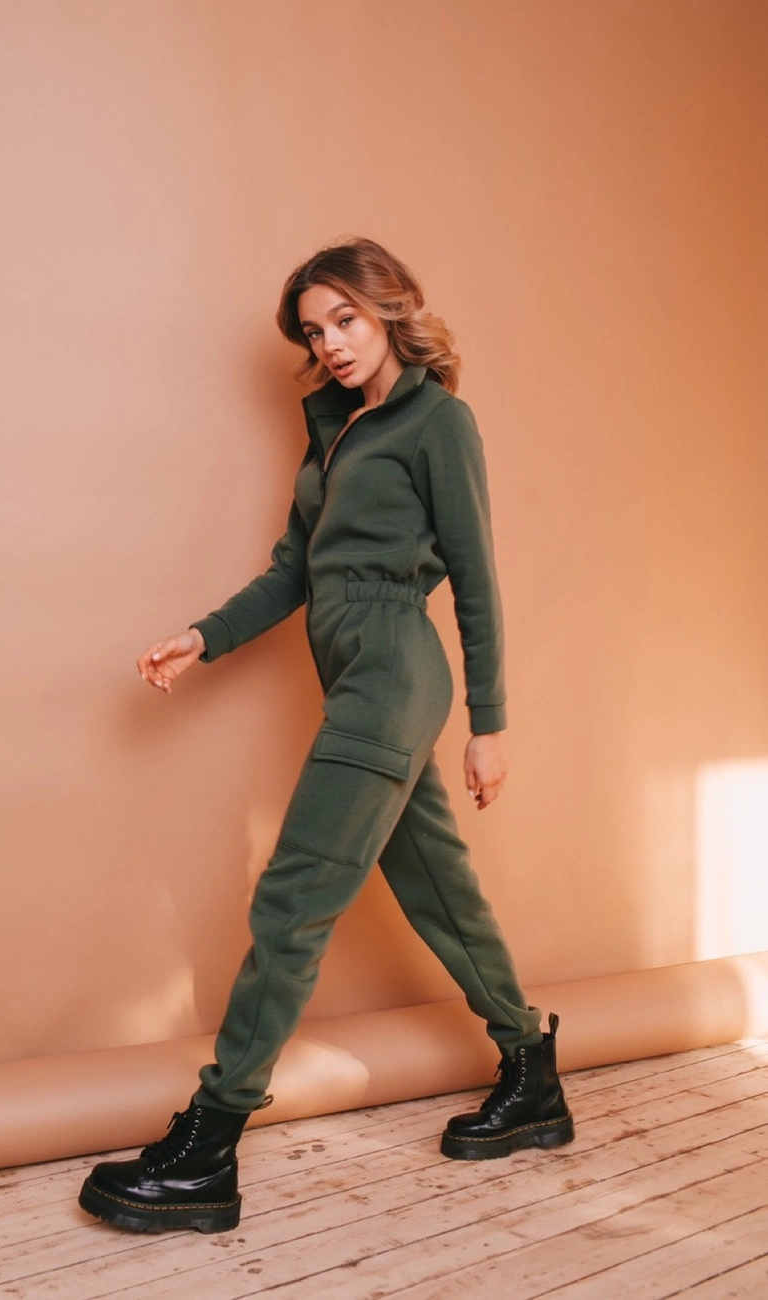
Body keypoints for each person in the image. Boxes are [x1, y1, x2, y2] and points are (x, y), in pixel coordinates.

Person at [78, 237, 574, 1235]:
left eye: (345, 318)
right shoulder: (335, 435)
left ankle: (209, 1146)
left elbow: (475, 579)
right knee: (438, 887)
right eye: (314, 331)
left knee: (293, 898)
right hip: (359, 678)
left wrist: (489, 725)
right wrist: (204, 637)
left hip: (394, 672)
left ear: (390, 307)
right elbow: (292, 572)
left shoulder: (437, 421)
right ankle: (531, 1074)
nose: (331, 344)